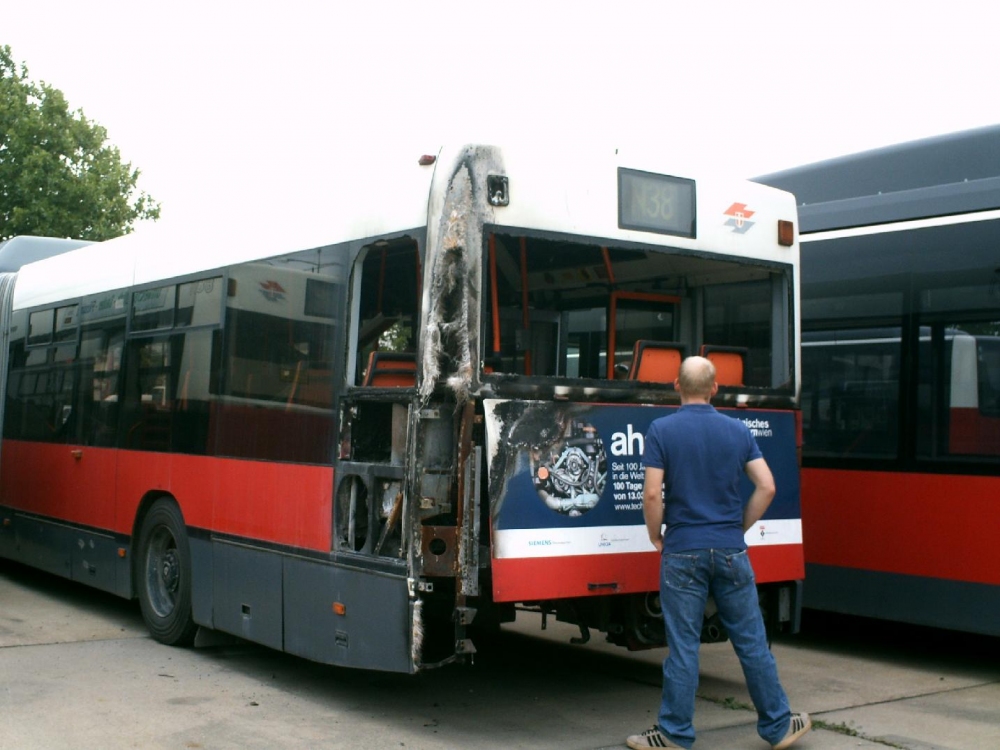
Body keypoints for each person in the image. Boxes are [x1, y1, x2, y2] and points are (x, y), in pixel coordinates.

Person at [626, 356, 810, 750]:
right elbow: (767, 487)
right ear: (715, 388)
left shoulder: (662, 430)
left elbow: (652, 493)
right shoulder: (736, 430)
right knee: (751, 643)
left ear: (677, 385)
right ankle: (778, 726)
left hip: (682, 551)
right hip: (730, 550)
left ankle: (674, 733)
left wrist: (655, 535)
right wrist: (738, 527)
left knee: (683, 647)